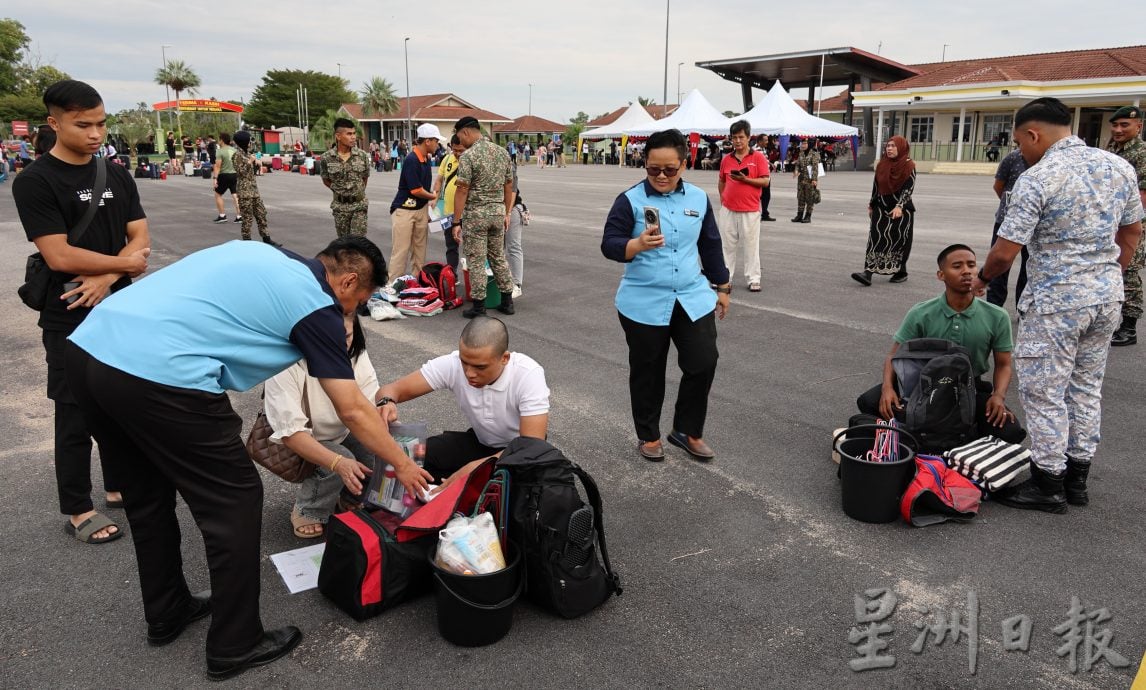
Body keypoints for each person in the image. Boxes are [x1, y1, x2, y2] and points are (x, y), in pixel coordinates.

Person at [65, 236, 433, 679]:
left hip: (90, 350)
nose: (353, 310)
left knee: (146, 496)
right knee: (234, 502)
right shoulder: (317, 305)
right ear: (347, 281)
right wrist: (404, 464)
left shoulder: (265, 253)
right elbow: (353, 409)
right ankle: (235, 643)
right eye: (360, 299)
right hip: (163, 373)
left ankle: (167, 611)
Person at [972, 97, 1143, 513]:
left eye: (1019, 142)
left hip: (1056, 303)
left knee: (1045, 392)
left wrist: (981, 278)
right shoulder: (1118, 167)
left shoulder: (1037, 178)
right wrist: (1107, 275)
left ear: (1034, 134)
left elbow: (1004, 252)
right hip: (1105, 297)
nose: (1020, 151)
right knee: (1085, 388)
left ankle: (1048, 481)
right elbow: (1134, 233)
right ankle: (1078, 478)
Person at [13, 80, 151, 545]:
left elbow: (140, 237)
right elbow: (59, 256)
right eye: (83, 124)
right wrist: (124, 265)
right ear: (54, 124)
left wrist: (109, 277)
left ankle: (117, 485)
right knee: (73, 414)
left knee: (121, 403)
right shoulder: (35, 181)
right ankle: (77, 506)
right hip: (68, 312)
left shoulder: (116, 174)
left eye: (101, 123)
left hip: (119, 307)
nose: (95, 133)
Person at [600, 128, 731, 462]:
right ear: (644, 163)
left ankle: (687, 430)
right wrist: (636, 245)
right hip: (643, 302)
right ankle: (649, 435)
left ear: (684, 164)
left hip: (691, 296)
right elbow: (609, 243)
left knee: (703, 362)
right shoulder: (629, 200)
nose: (661, 175)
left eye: (669, 169)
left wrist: (723, 286)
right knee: (648, 370)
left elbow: (710, 244)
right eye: (653, 168)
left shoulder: (698, 199)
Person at [856, 244, 1026, 444]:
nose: (966, 271)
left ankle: (955, 432)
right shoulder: (921, 313)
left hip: (969, 388)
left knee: (1011, 431)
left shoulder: (996, 316)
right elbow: (893, 355)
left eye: (971, 265)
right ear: (941, 275)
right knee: (868, 402)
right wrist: (887, 388)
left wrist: (998, 395)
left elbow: (1004, 365)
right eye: (957, 266)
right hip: (922, 386)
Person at [376, 316, 550, 485]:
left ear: (504, 358)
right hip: (480, 443)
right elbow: (390, 390)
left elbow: (531, 446)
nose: (469, 373)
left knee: (510, 491)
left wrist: (478, 467)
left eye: (480, 367)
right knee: (415, 456)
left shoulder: (528, 374)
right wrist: (386, 402)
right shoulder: (452, 364)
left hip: (519, 453)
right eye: (464, 362)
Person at [264, 312, 379, 538]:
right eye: (328, 338)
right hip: (300, 438)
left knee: (379, 452)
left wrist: (385, 412)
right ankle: (309, 509)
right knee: (340, 461)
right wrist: (338, 462)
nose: (338, 346)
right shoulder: (285, 364)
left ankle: (349, 496)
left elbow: (368, 405)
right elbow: (291, 434)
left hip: (341, 429)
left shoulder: (356, 353)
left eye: (345, 336)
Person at [451, 116, 516, 318]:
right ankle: (507, 301)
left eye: (460, 136)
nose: (460, 141)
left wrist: (456, 221)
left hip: (476, 216)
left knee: (476, 260)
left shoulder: (469, 157)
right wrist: (506, 212)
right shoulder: (502, 152)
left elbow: (462, 190)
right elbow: (509, 185)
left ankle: (479, 306)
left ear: (466, 132)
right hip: (497, 214)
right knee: (498, 257)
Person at [851, 136, 916, 286]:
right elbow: (876, 187)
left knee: (899, 240)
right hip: (881, 207)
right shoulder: (882, 165)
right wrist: (871, 204)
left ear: (901, 148)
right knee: (875, 238)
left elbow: (908, 188)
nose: (889, 148)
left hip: (901, 209)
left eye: (893, 146)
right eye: (888, 146)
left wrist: (899, 206)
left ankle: (901, 271)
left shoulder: (909, 165)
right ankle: (867, 273)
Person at [1106, 106, 1146, 346]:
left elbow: (1143, 194)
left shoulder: (1141, 153)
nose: (1118, 130)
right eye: (1115, 125)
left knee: (1129, 272)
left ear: (1138, 126)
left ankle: (1129, 328)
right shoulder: (1112, 149)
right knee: (1112, 269)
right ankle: (1112, 322)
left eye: (1124, 125)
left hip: (1133, 222)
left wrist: (1127, 220)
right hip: (1111, 221)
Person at [717, 120, 770, 293]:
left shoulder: (758, 158)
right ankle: (726, 278)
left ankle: (753, 278)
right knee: (727, 245)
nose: (737, 141)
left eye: (741, 137)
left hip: (750, 210)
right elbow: (722, 181)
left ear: (748, 138)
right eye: (734, 137)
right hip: (728, 209)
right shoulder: (727, 160)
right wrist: (723, 198)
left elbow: (765, 181)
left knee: (751, 246)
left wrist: (745, 179)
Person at [389, 122, 442, 277]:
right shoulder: (412, 159)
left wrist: (430, 200)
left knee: (420, 250)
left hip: (421, 209)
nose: (438, 145)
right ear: (427, 141)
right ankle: (393, 285)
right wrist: (433, 196)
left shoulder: (425, 159)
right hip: (404, 210)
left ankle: (417, 284)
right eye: (436, 141)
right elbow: (416, 190)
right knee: (401, 251)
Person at [985, 147, 1029, 307]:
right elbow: (999, 186)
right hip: (1006, 221)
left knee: (1029, 267)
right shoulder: (1013, 158)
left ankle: (1023, 307)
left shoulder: (1049, 161)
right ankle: (993, 307)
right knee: (999, 266)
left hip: (1035, 227)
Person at [320, 118, 372, 238]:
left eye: (354, 133)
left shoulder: (362, 156)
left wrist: (357, 192)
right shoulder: (327, 158)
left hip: (359, 205)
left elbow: (365, 178)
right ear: (338, 136)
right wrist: (338, 191)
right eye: (349, 134)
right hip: (340, 207)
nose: (353, 137)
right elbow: (325, 179)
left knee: (357, 242)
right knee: (343, 243)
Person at [232, 130, 280, 246]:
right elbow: (240, 172)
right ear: (244, 141)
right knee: (247, 218)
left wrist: (257, 162)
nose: (250, 143)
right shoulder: (237, 155)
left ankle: (266, 238)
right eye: (249, 141)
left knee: (261, 214)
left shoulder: (248, 153)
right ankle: (247, 241)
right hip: (244, 192)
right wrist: (250, 162)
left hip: (254, 191)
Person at [432, 134, 466, 272]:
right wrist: (435, 197)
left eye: (461, 150)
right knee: (451, 246)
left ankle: (476, 278)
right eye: (455, 150)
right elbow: (439, 180)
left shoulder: (471, 161)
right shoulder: (447, 159)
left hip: (467, 212)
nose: (457, 153)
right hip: (449, 212)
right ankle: (452, 276)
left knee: (473, 247)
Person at [211, 132, 241, 224]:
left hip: (224, 175)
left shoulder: (220, 151)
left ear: (222, 140)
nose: (218, 141)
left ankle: (222, 215)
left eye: (219, 139)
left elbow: (217, 166)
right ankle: (239, 216)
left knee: (218, 194)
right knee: (235, 195)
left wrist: (215, 178)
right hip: (234, 174)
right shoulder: (234, 150)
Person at [505, 190, 528, 297]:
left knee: (513, 246)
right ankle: (502, 281)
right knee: (496, 248)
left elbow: (512, 190)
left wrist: (508, 213)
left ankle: (517, 285)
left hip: (512, 208)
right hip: (496, 209)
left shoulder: (511, 172)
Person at [791, 138, 820, 223]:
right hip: (801, 180)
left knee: (810, 198)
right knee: (800, 197)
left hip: (810, 180)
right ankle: (799, 215)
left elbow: (815, 167)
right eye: (802, 143)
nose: (803, 145)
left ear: (809, 144)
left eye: (804, 143)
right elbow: (798, 164)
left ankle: (808, 216)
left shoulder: (814, 154)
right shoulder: (801, 153)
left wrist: (814, 179)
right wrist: (796, 170)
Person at [755, 135, 776, 221]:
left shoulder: (763, 149)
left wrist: (770, 163)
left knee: (766, 196)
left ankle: (764, 213)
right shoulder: (755, 150)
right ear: (760, 141)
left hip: (766, 177)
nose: (767, 142)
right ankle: (759, 214)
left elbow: (764, 160)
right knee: (760, 196)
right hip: (760, 178)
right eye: (766, 140)